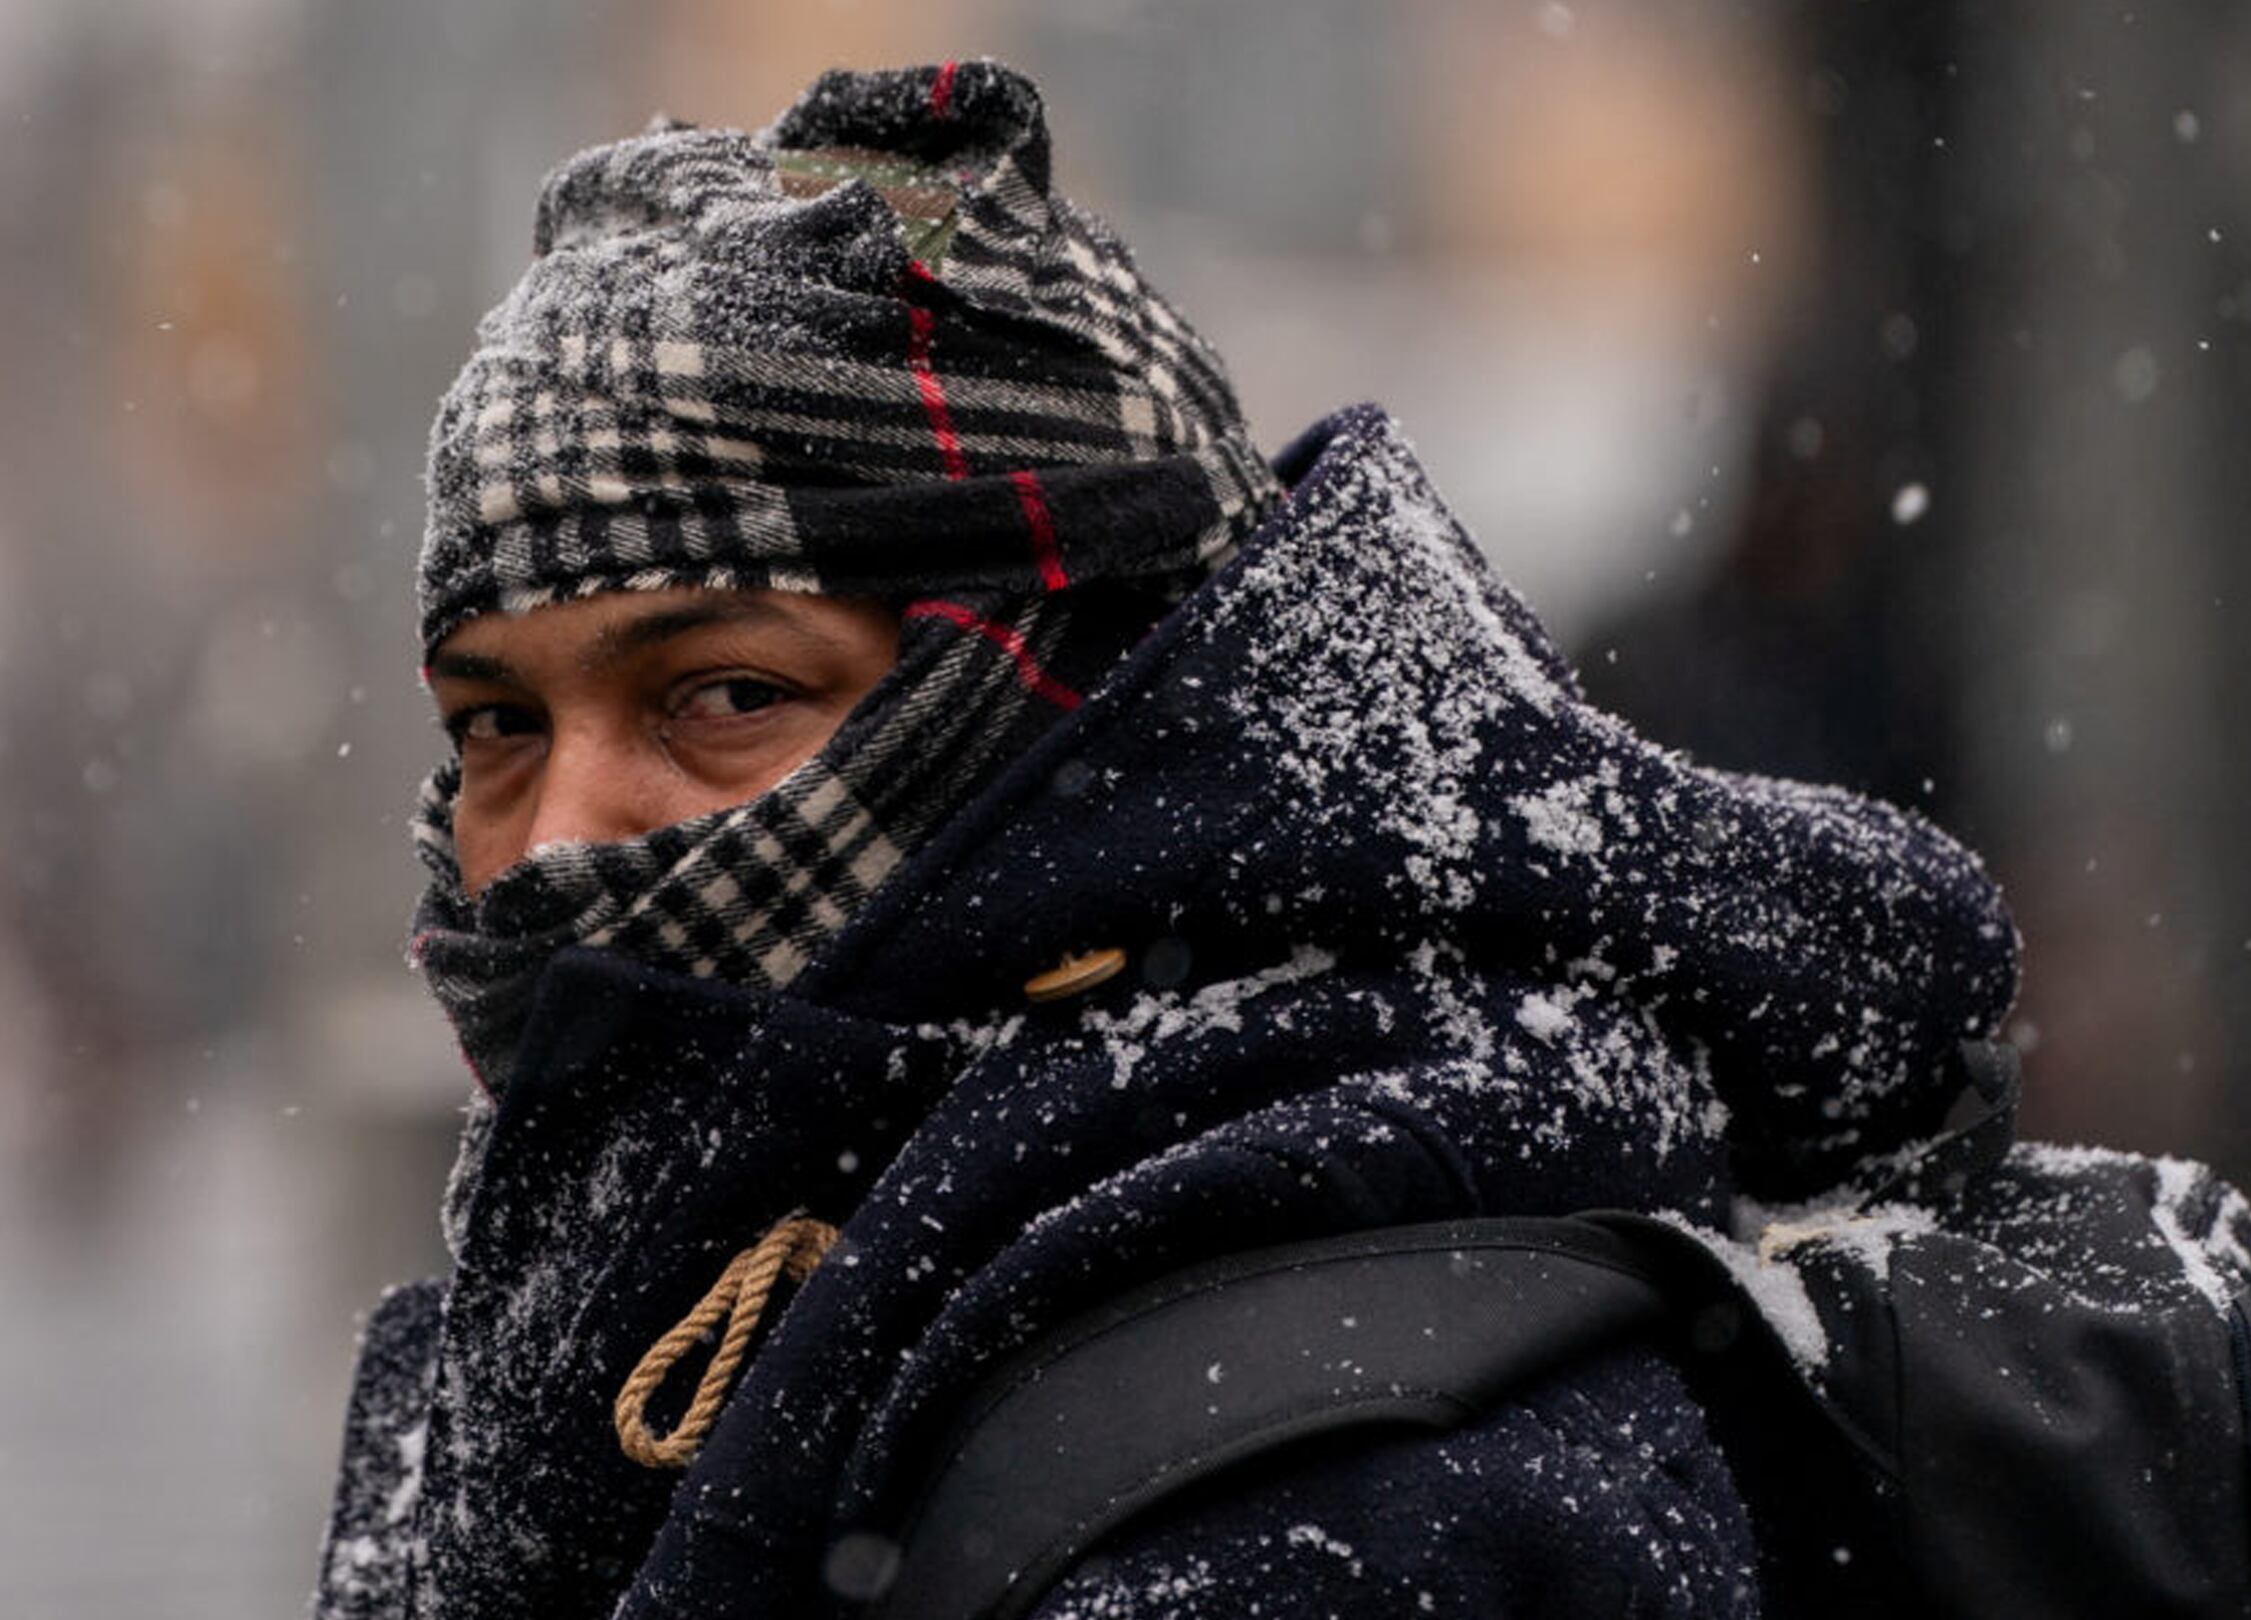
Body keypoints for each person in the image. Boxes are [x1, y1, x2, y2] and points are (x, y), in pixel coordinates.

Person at [312, 61, 2017, 1619]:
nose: (557, 838)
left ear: (1062, 702)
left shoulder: (1326, 1471)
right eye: (497, 726)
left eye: (725, 692)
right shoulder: (692, 1288)